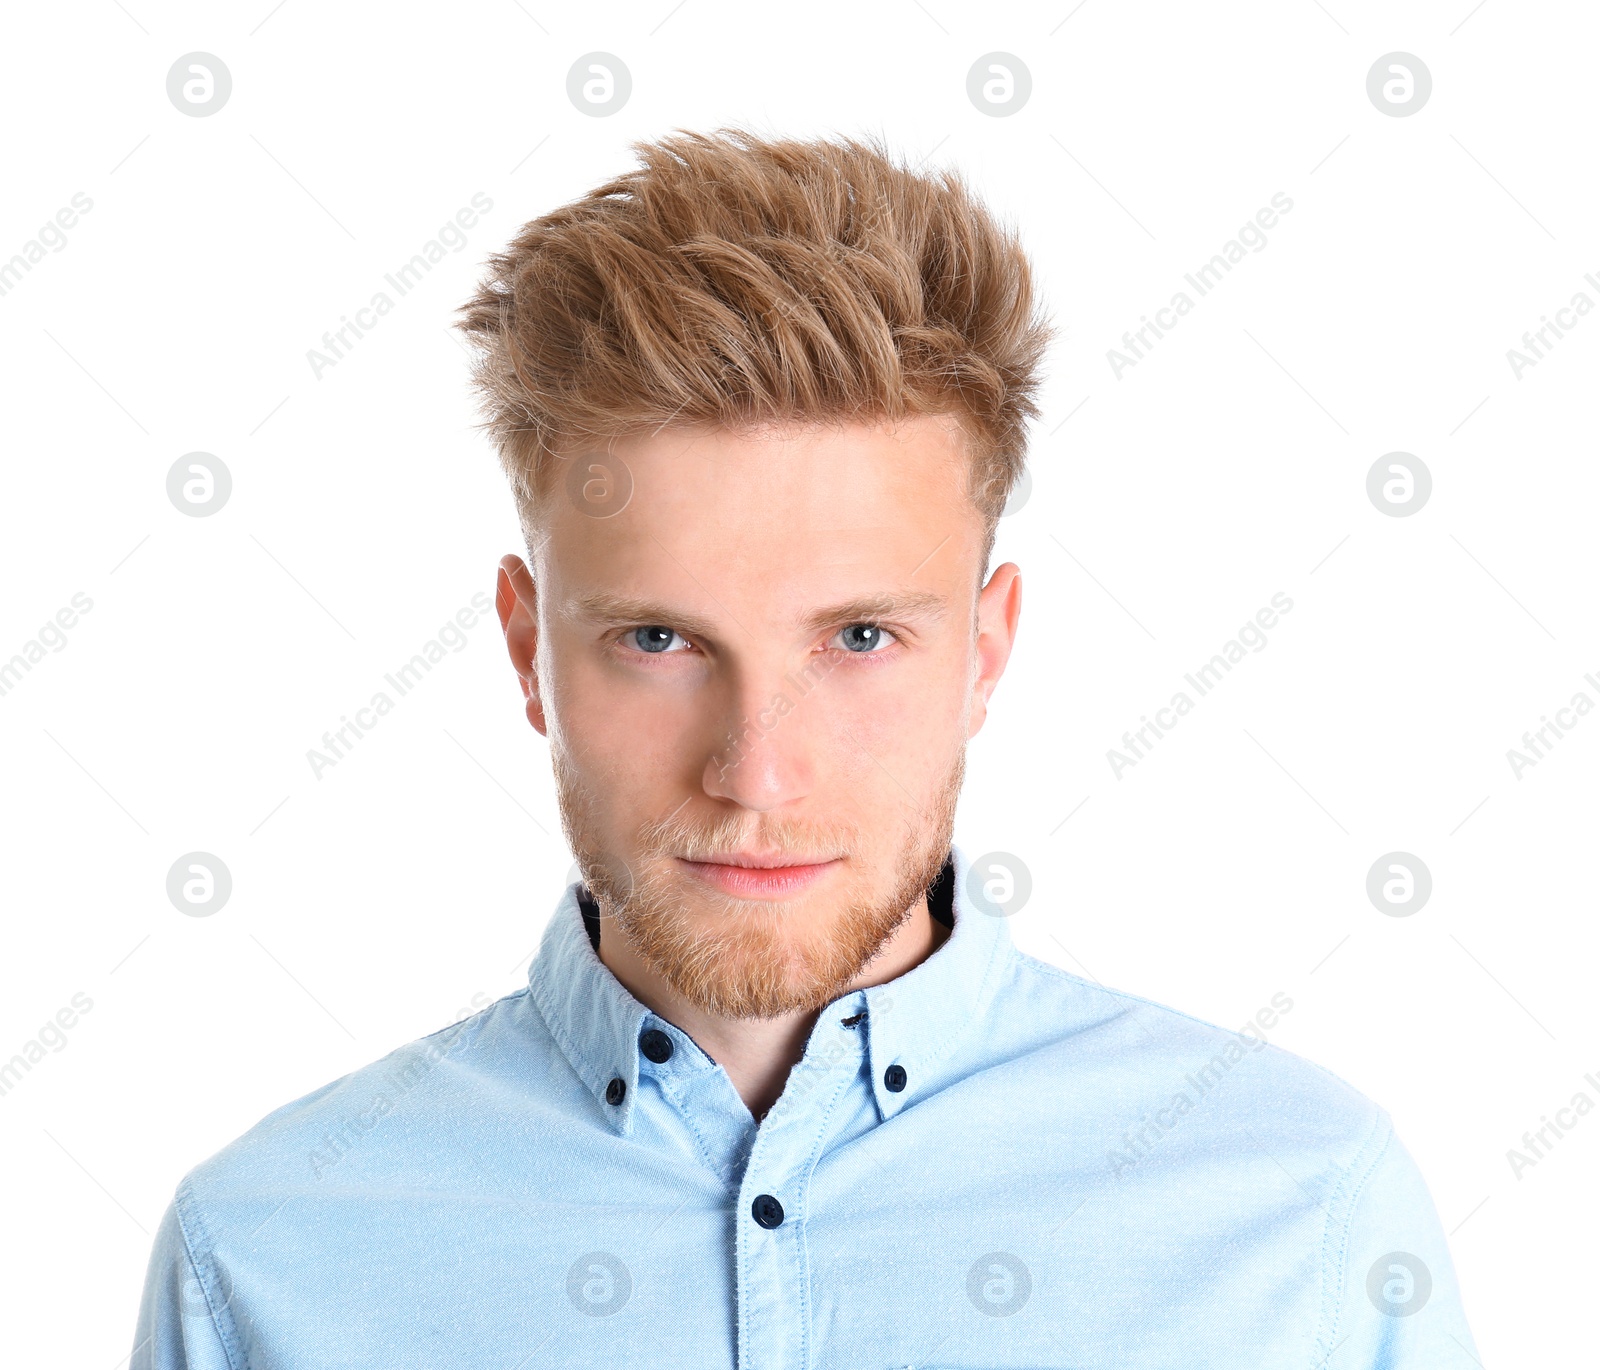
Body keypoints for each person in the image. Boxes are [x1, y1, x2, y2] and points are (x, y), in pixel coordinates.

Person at [132, 127, 1477, 1368]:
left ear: (986, 652)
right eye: (659, 638)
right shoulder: (266, 1256)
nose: (757, 774)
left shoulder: (1302, 1217)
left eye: (861, 639)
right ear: (525, 644)